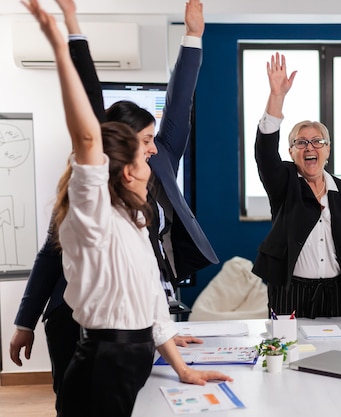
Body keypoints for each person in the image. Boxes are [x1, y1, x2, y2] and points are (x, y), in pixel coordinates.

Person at [21, 1, 233, 416]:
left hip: (132, 345)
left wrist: (194, 37)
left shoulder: (136, 220)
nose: (153, 156)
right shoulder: (92, 211)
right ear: (121, 162)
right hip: (89, 335)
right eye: (144, 146)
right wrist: (65, 42)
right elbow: (86, 134)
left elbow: (152, 303)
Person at [251, 53, 341, 328]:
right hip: (291, 292)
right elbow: (265, 153)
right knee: (287, 359)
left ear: (328, 150)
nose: (309, 147)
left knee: (340, 357)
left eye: (317, 141)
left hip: (337, 293)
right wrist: (277, 97)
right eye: (300, 142)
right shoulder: (284, 183)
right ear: (291, 152)